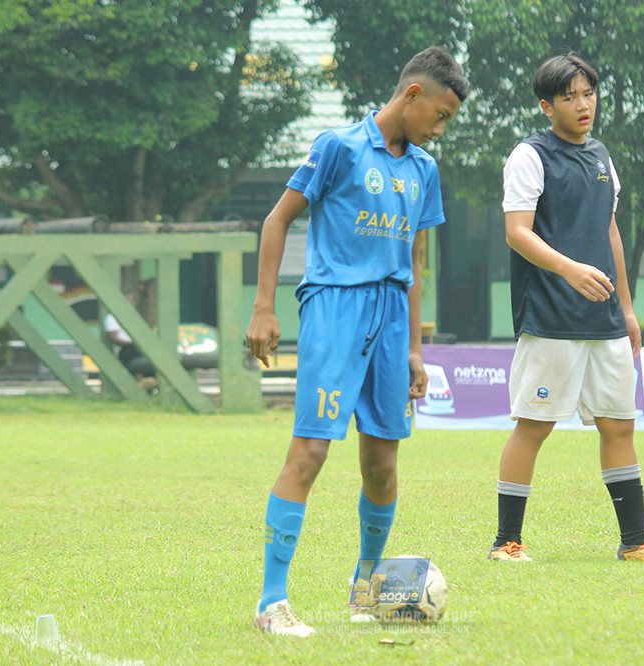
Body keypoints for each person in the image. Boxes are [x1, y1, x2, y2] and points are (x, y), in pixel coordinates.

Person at [245, 47, 468, 636]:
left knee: (382, 464)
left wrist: (417, 349)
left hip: (393, 319)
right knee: (311, 451)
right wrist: (264, 306)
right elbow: (277, 220)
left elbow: (415, 261)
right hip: (334, 309)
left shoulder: (423, 170)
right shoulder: (337, 147)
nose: (440, 130)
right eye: (440, 115)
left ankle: (365, 587)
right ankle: (272, 601)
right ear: (413, 95)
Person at [488, 54, 644, 564]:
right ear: (546, 106)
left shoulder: (601, 156)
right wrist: (570, 270)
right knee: (534, 425)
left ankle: (635, 542)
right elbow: (517, 232)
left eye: (588, 92)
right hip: (550, 317)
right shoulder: (529, 156)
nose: (583, 104)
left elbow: (609, 231)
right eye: (570, 96)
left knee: (618, 425)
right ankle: (506, 543)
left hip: (606, 320)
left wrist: (629, 308)